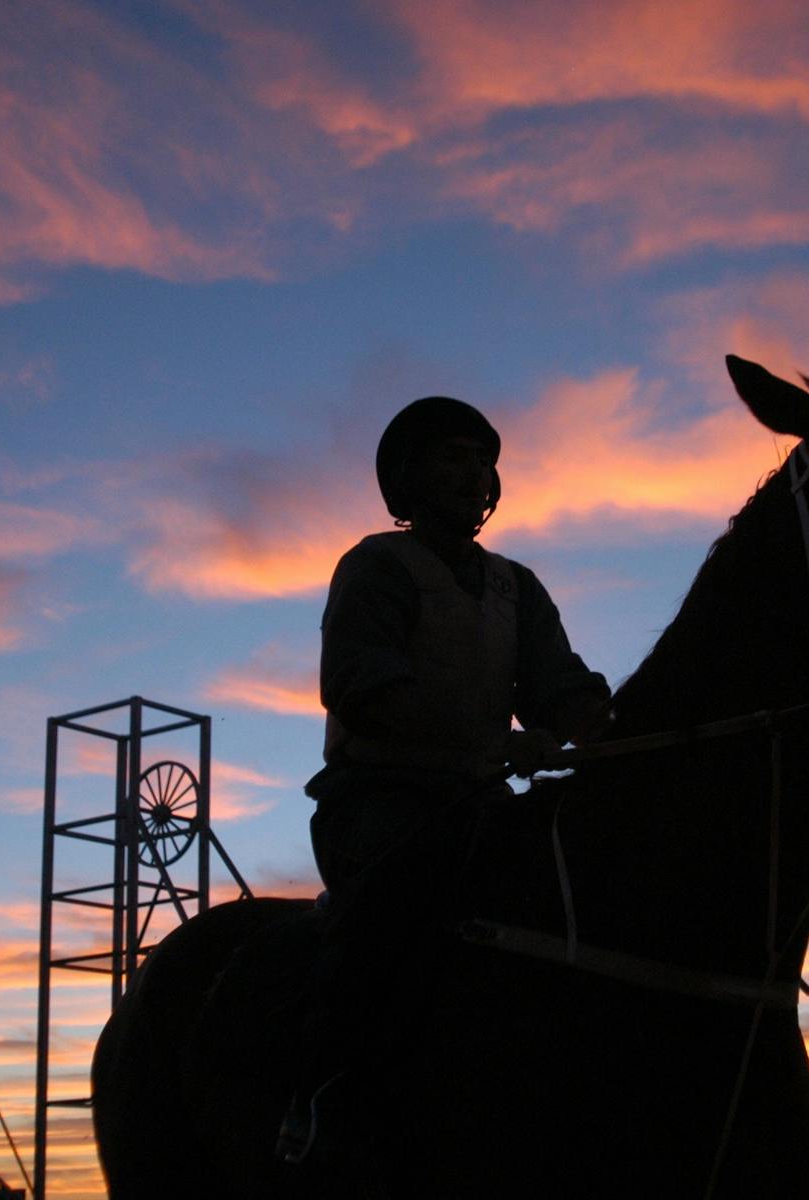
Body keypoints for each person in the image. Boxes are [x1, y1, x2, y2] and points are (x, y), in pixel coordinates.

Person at [277, 396, 609, 1168]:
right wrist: (499, 740)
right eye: (453, 457)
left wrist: (609, 728)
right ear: (408, 479)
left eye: (483, 459)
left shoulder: (516, 586)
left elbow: (559, 686)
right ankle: (321, 1095)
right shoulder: (375, 568)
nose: (476, 473)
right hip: (382, 806)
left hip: (484, 807)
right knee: (391, 920)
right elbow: (363, 685)